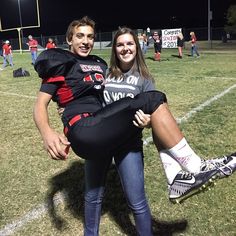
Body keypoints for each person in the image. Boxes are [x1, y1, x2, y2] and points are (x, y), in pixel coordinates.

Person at [33, 16, 236, 234]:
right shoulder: (62, 62)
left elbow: (95, 95)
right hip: (87, 129)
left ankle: (176, 177)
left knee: (128, 200)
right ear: (69, 39)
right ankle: (191, 167)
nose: (85, 41)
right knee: (154, 98)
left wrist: (149, 121)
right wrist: (47, 132)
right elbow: (40, 105)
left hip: (116, 131)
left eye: (90, 36)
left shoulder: (101, 66)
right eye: (80, 36)